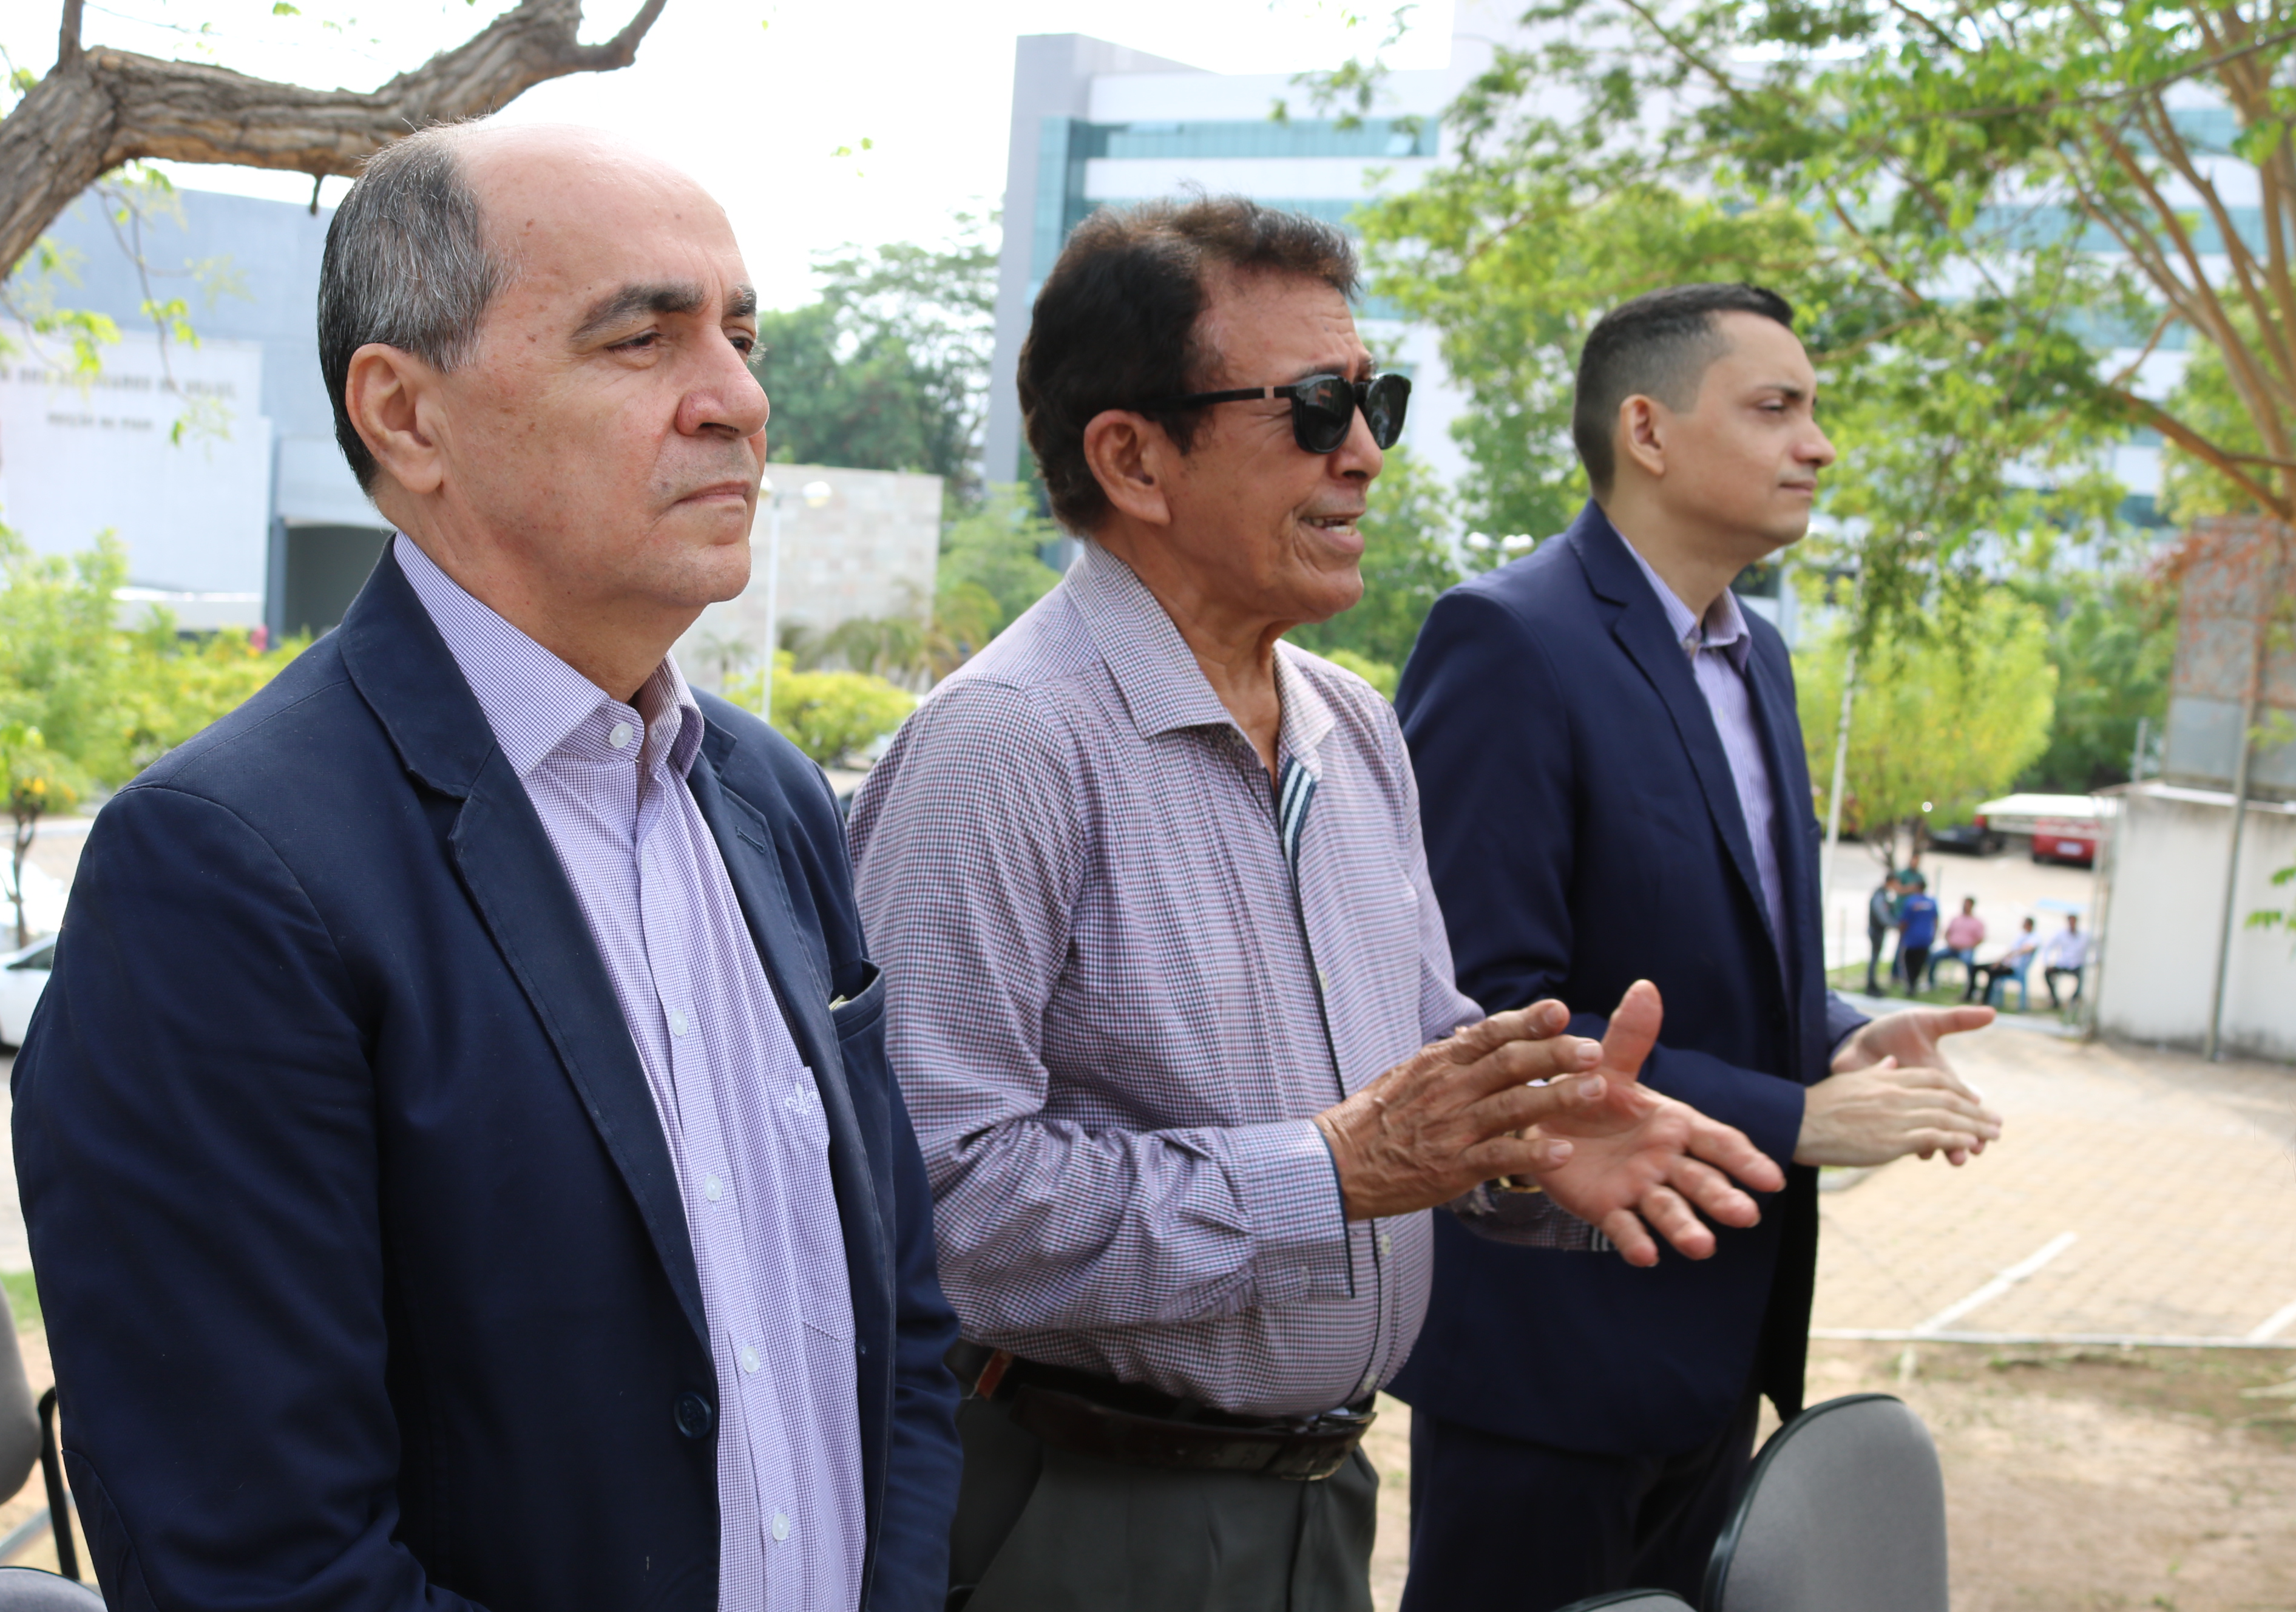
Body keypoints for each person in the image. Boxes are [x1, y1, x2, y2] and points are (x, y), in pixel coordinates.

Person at [9, 123, 961, 1612]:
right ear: (406, 415)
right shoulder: (225, 871)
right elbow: (266, 1565)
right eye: (642, 338)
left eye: (743, 334)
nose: (739, 398)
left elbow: (896, 1326)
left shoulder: (768, 797)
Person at [847, 202, 1786, 1612]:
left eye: (1374, 401)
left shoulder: (1354, 724)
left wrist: (1521, 1141)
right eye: (1313, 408)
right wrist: (1331, 1171)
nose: (1364, 453)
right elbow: (935, 1202)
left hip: (1323, 1499)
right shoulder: (1008, 744)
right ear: (1132, 458)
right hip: (1083, 1512)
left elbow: (1412, 1071)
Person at [1393, 282, 2005, 1611]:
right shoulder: (1506, 638)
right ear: (1647, 431)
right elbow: (1479, 1011)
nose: (1817, 445)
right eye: (1776, 408)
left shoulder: (1759, 656)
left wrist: (1840, 1033)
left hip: (1722, 1338)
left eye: (1814, 411)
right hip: (1552, 1354)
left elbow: (1709, 943)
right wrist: (1795, 1115)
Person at [1972, 916, 2040, 1006]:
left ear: (2029, 925)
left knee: (1993, 972)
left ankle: (1985, 1001)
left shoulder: (2035, 937)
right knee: (1976, 967)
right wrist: (1999, 961)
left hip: (2014, 968)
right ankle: (1972, 993)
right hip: (2005, 964)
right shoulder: (2021, 935)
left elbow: (2028, 949)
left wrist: (2014, 954)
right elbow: (2010, 951)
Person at [1928, 895, 1986, 991]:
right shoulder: (1956, 919)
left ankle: (1970, 988)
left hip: (1966, 949)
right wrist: (1950, 942)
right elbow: (1947, 933)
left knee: (1969, 962)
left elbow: (1980, 939)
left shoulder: (1977, 922)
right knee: (1934, 956)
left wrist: (1969, 946)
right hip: (1952, 948)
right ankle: (1930, 983)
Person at [1897, 873, 1940, 998]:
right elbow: (1936, 920)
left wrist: (1901, 934)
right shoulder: (1932, 902)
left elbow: (1904, 921)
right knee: (1920, 962)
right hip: (1925, 937)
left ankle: (1910, 984)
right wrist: (1934, 934)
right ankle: (1914, 983)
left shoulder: (1911, 902)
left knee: (1909, 961)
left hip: (1912, 937)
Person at [1865, 871, 1901, 996]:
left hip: (1878, 931)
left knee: (1875, 958)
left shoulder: (1884, 894)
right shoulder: (1880, 895)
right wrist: (1896, 925)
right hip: (1876, 931)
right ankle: (1871, 986)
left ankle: (1872, 984)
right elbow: (1882, 915)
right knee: (1874, 959)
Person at [2043, 912, 2088, 1012]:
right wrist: (2048, 962)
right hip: (2063, 964)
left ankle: (2073, 1000)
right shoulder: (2061, 935)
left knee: (2082, 977)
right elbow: (2048, 947)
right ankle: (2055, 999)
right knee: (2047, 973)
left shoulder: (2084, 936)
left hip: (2076, 965)